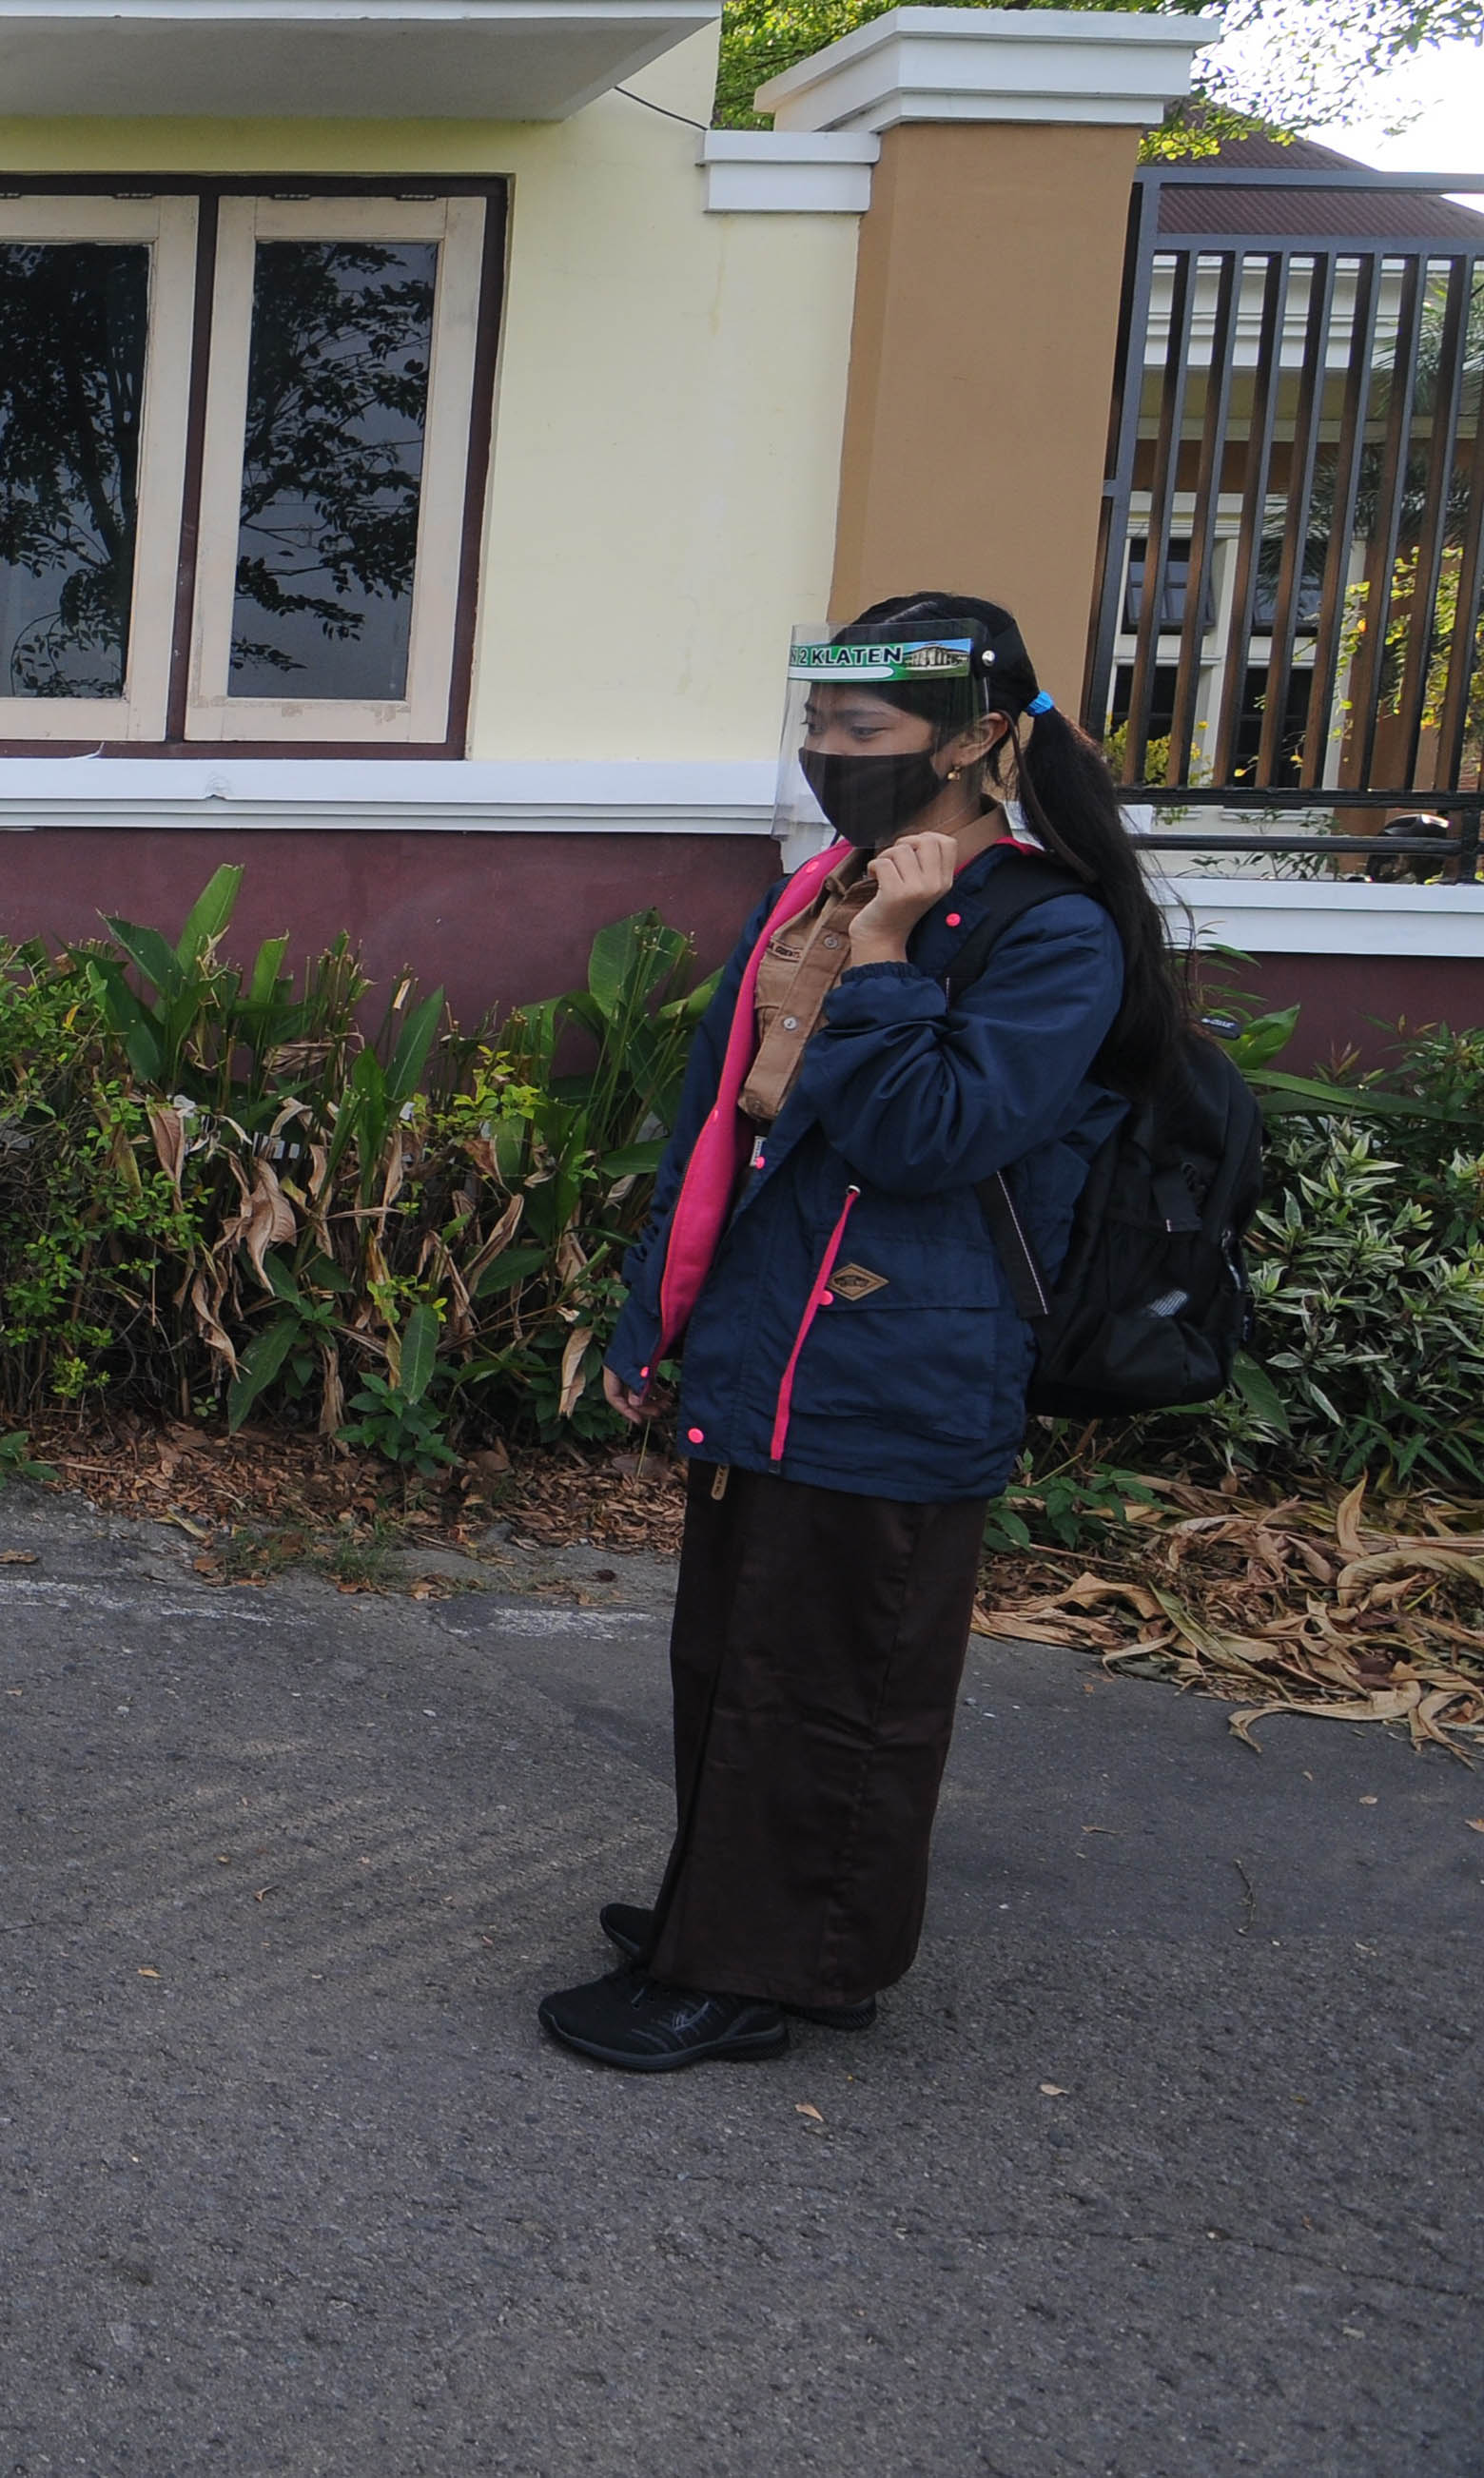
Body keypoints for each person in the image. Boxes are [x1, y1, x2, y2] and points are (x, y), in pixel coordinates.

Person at [548, 591, 1181, 2072]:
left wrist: (891, 948)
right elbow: (720, 1126)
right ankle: (741, 1914)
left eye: (864, 727)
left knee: (839, 1678)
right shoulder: (819, 887)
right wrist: (661, 1317)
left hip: (903, 1363)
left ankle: (768, 1972)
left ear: (975, 742)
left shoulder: (1048, 930)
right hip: (776, 1348)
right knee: (738, 1654)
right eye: (818, 723)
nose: (831, 752)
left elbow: (930, 1135)